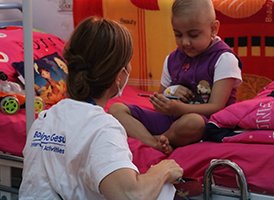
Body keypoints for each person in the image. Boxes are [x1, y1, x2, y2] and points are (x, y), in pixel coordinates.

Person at [19, 16, 183, 200]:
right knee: (163, 191)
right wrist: (163, 171)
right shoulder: (102, 128)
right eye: (129, 62)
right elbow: (130, 195)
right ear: (120, 75)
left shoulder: (43, 121)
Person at [108, 0, 242, 154]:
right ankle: (155, 143)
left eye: (193, 35)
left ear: (213, 29)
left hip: (206, 124)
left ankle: (161, 138)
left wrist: (180, 108)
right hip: (169, 119)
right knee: (116, 109)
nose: (185, 42)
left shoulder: (224, 59)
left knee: (194, 122)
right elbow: (160, 98)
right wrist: (170, 92)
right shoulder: (172, 59)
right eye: (178, 34)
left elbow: (216, 107)